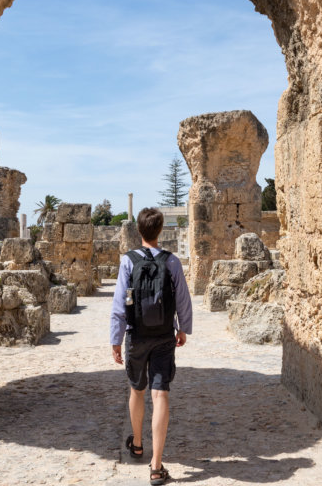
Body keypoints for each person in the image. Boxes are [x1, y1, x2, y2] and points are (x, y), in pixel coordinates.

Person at [110, 207, 193, 486]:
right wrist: (183, 329)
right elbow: (183, 299)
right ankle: (156, 467)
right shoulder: (171, 262)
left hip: (136, 335)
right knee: (160, 395)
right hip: (164, 336)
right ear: (160, 231)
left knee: (137, 389)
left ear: (139, 231)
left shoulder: (128, 261)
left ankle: (137, 444)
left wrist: (115, 340)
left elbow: (120, 305)